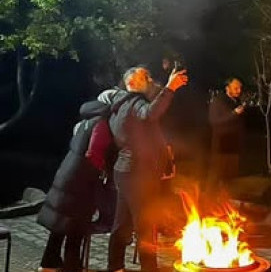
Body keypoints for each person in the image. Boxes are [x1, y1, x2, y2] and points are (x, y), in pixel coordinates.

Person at [36, 93, 133, 272]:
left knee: (59, 223)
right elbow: (93, 153)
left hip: (67, 174)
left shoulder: (86, 121)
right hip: (82, 182)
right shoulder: (101, 124)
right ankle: (72, 267)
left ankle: (48, 264)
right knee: (77, 228)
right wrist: (103, 173)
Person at [106, 66, 188, 272]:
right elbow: (150, 114)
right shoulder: (135, 102)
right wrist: (170, 88)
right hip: (137, 173)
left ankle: (115, 266)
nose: (149, 80)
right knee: (146, 226)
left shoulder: (119, 104)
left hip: (124, 171)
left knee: (122, 223)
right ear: (132, 83)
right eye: (144, 77)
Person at [207, 78, 245, 190]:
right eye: (236, 88)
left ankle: (225, 198)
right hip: (221, 145)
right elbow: (214, 121)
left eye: (240, 88)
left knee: (229, 177)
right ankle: (209, 197)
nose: (239, 91)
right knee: (216, 174)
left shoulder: (237, 101)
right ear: (227, 88)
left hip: (234, 145)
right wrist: (234, 113)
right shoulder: (218, 101)